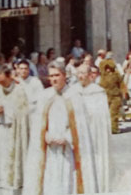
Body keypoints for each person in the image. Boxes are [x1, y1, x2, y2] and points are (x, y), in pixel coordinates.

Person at [23, 60, 98, 195]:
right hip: (49, 152)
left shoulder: (74, 96)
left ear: (64, 75)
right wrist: (44, 135)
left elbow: (82, 127)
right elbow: (37, 124)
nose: (54, 79)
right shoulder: (45, 96)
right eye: (51, 76)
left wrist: (67, 137)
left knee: (67, 184)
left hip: (68, 152)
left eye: (57, 75)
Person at [0, 64, 29, 195]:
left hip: (13, 134)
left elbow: (24, 114)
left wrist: (7, 110)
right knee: (0, 165)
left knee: (11, 165)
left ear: (10, 77)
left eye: (3, 81)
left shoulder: (19, 91)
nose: (1, 84)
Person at [74, 64, 111, 193]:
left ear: (90, 75)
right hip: (77, 135)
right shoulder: (73, 92)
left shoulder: (98, 92)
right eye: (78, 73)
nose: (80, 76)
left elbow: (100, 117)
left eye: (83, 73)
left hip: (93, 134)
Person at [99, 54, 123, 134]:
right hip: (105, 96)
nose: (108, 70)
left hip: (115, 96)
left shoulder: (116, 74)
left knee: (114, 113)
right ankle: (106, 128)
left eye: (109, 68)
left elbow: (121, 84)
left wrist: (124, 93)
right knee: (105, 114)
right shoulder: (102, 76)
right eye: (106, 68)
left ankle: (114, 128)